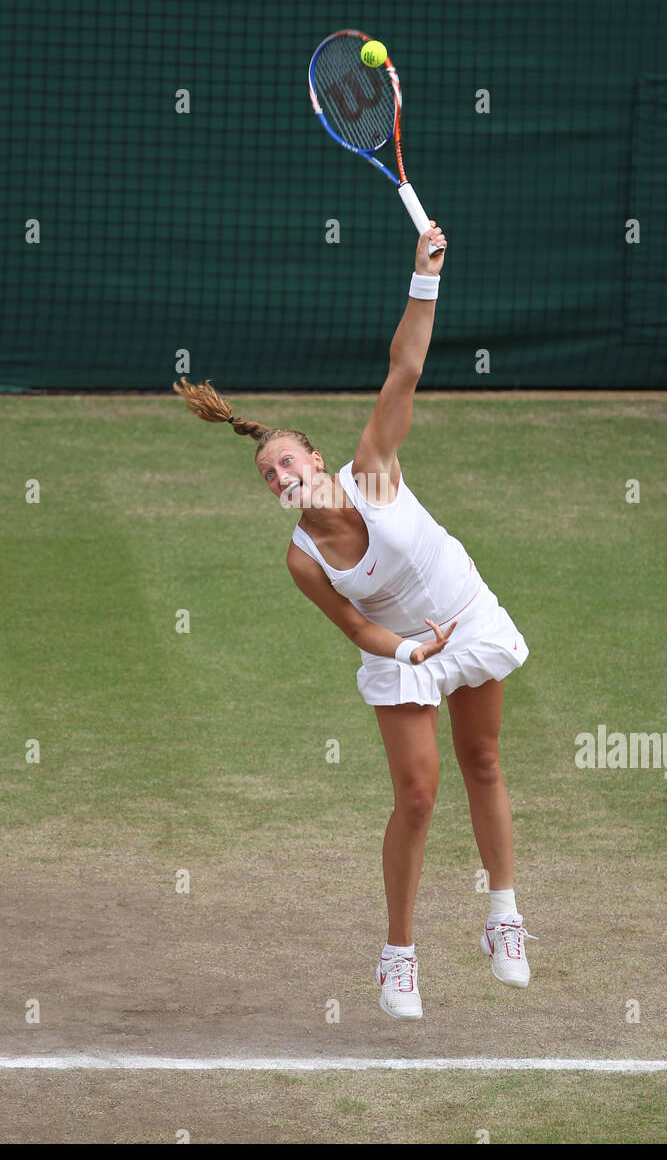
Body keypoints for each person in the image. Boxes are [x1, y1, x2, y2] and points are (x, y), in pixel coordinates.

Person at [175, 220, 535, 1019]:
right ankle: (397, 958)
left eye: (286, 464)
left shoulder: (372, 468)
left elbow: (404, 365)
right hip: (407, 650)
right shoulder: (304, 559)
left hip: (466, 615)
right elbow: (357, 631)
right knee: (416, 797)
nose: (279, 480)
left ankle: (502, 917)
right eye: (268, 477)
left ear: (314, 457)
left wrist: (425, 275)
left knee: (482, 760)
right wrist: (408, 647)